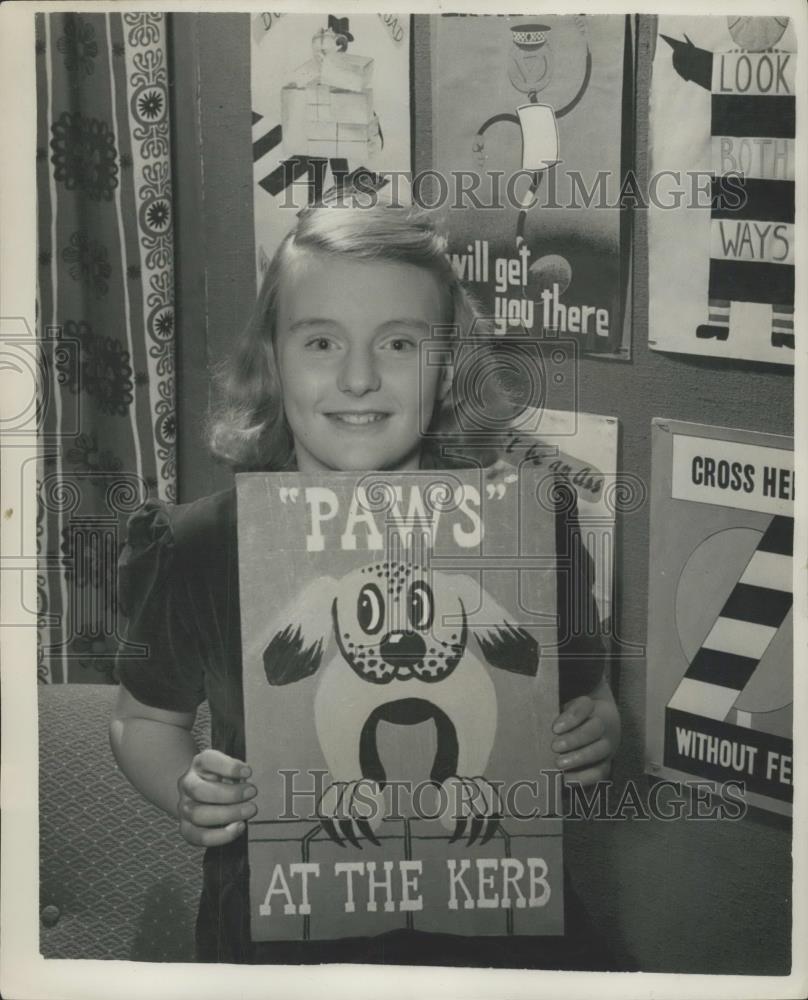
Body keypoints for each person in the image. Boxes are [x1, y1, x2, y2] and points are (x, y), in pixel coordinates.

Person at [110, 198, 621, 967]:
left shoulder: (528, 530)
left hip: (498, 946)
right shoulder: (202, 546)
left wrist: (596, 731)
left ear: (447, 366)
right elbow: (142, 720)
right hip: (287, 944)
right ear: (272, 360)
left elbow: (592, 699)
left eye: (399, 343)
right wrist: (190, 787)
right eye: (321, 341)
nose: (358, 378)